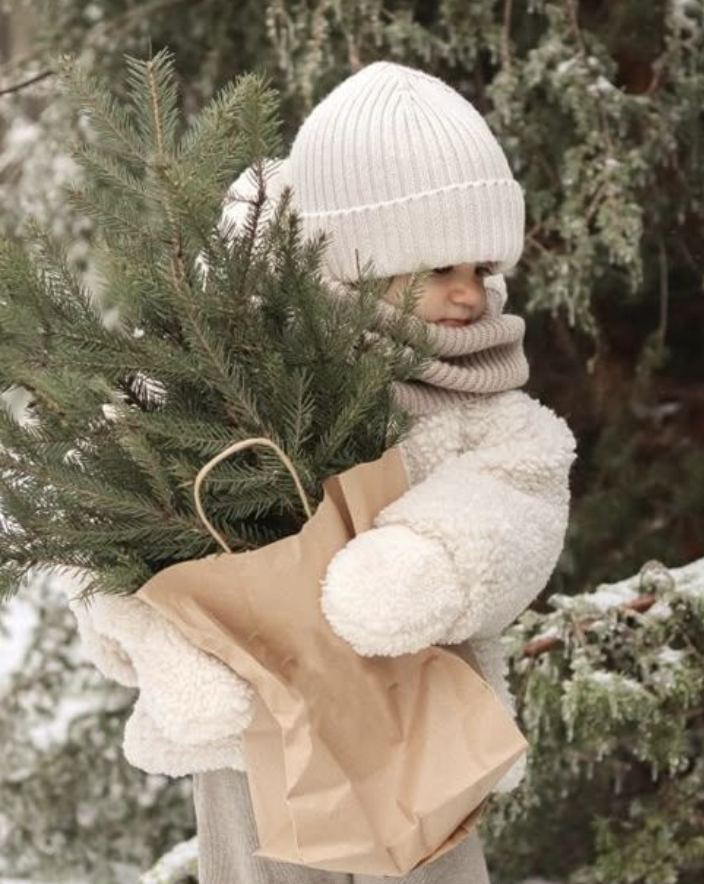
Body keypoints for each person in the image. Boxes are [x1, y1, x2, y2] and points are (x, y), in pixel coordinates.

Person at [71, 60, 577, 883]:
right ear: (357, 266)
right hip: (253, 740)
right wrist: (150, 636)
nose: (469, 297)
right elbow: (105, 508)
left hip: (416, 727)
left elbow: (517, 495)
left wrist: (428, 563)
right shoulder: (227, 377)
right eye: (438, 270)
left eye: (482, 271)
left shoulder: (481, 405)